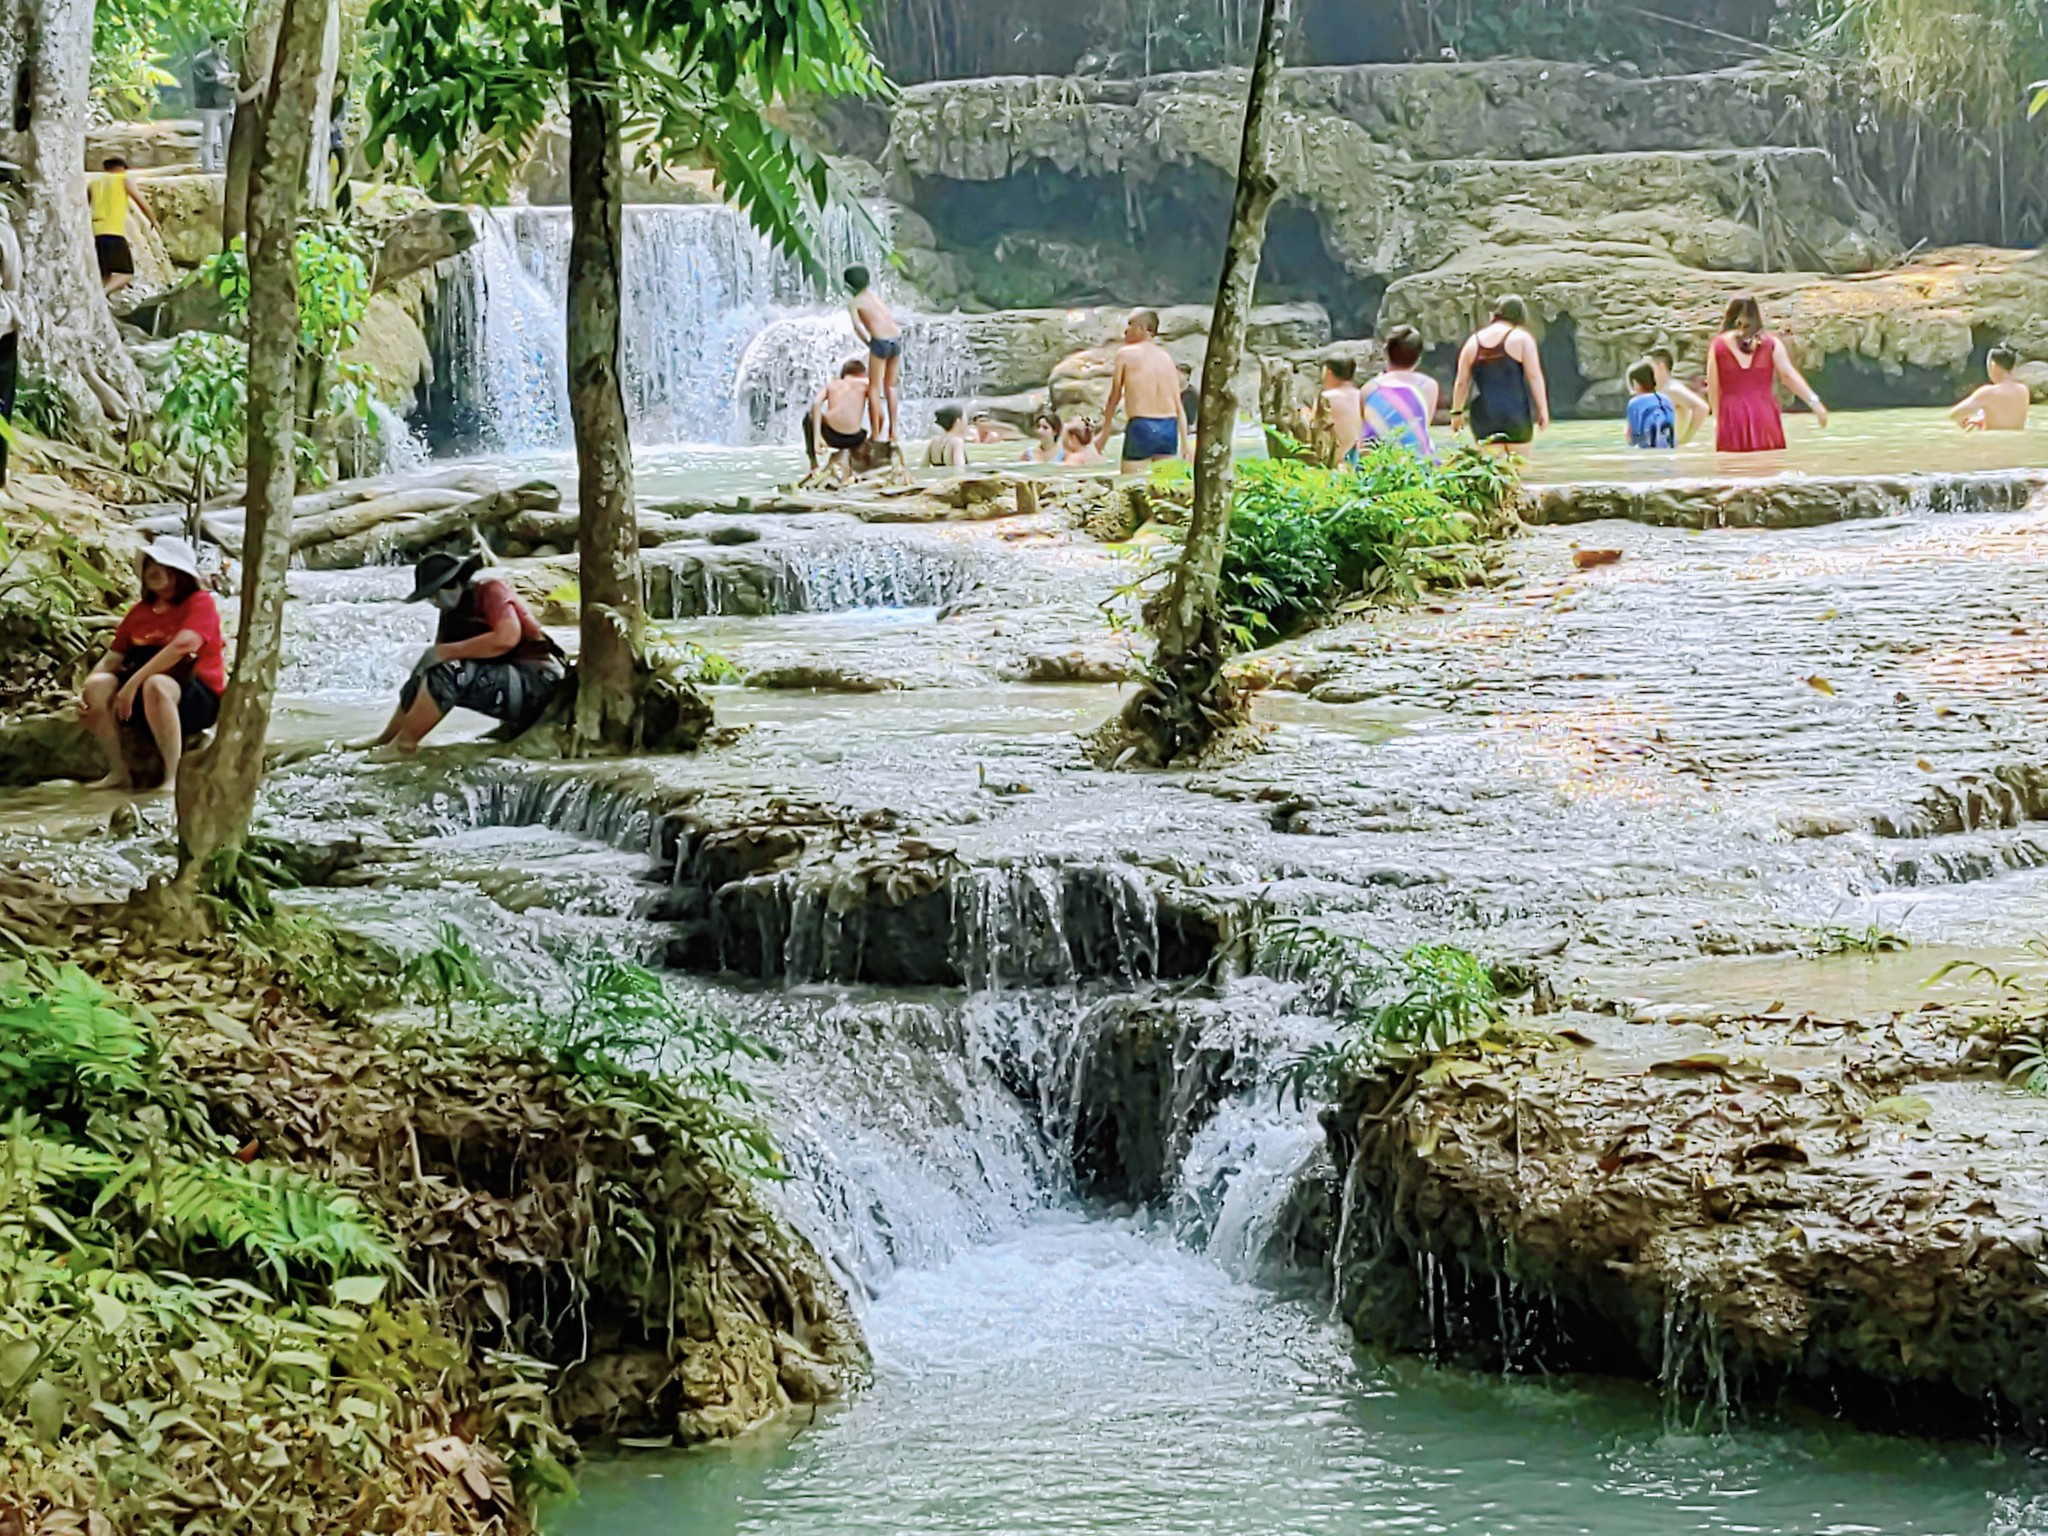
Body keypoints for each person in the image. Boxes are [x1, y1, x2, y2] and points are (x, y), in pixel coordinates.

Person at [371, 552, 565, 754]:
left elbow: (507, 638)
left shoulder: (490, 591)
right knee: (426, 673)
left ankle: (404, 746)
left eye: (436, 595)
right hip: (508, 682)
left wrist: (445, 652)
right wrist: (431, 662)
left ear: (454, 584)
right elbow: (433, 672)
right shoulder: (451, 616)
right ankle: (388, 738)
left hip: (539, 683)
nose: (435, 602)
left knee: (448, 671)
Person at [80, 537, 224, 794]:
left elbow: (184, 645)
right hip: (138, 699)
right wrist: (85, 696)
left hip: (194, 697)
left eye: (164, 565)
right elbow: (113, 659)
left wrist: (132, 685)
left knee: (155, 684)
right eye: (151, 565)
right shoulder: (139, 613)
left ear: (180, 573)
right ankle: (118, 772)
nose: (156, 571)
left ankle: (172, 776)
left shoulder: (200, 603)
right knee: (97, 685)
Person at [1707, 294, 1827, 453]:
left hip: (1731, 416)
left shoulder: (1718, 346)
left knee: (1734, 471)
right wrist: (1815, 403)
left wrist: (1718, 420)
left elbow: (1713, 388)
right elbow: (1788, 376)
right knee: (1770, 467)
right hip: (1764, 413)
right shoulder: (1770, 344)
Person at [1095, 309, 1191, 474]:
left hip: (1142, 426)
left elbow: (1115, 397)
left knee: (1128, 485)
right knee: (1164, 487)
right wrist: (1185, 444)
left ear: (1142, 328)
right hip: (1169, 428)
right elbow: (1178, 406)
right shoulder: (1166, 358)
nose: (1125, 330)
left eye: (1130, 325)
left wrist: (1105, 434)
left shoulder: (1125, 354)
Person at [1451, 296, 1549, 448]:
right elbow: (1534, 376)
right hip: (1516, 414)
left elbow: (1462, 382)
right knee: (1518, 468)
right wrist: (1542, 409)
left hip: (1484, 416)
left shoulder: (1473, 342)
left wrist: (1457, 413)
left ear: (1494, 314)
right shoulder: (1522, 339)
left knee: (1493, 468)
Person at [1362, 325, 1438, 461]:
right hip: (1416, 462)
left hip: (1376, 462)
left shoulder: (1370, 388)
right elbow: (1424, 425)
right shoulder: (1428, 386)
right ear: (1419, 357)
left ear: (1386, 353)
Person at [844, 264, 902, 444]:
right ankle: (893, 432)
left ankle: (876, 433)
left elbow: (857, 326)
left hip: (880, 341)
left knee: (874, 387)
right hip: (896, 338)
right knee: (891, 387)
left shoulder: (854, 302)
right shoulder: (875, 297)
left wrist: (869, 343)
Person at [90, 157, 156, 296]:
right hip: (114, 232)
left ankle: (101, 300)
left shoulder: (93, 184)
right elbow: (141, 202)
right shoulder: (123, 180)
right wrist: (153, 220)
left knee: (104, 273)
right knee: (126, 273)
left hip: (96, 233)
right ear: (122, 168)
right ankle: (102, 293)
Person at [807, 358, 872, 477]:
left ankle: (813, 463)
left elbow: (816, 404)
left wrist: (818, 438)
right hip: (855, 439)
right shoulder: (866, 384)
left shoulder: (833, 384)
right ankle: (853, 458)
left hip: (831, 436)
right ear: (861, 374)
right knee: (864, 432)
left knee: (808, 417)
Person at [1951, 345, 2030, 433]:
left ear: (1993, 365)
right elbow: (2007, 418)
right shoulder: (2023, 390)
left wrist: (1964, 421)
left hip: (1993, 444)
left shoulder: (1988, 392)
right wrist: (1982, 420)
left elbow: (1954, 414)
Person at [189, 38, 236, 173]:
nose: (223, 49)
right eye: (221, 45)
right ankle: (208, 168)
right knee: (209, 139)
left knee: (228, 140)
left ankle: (229, 168)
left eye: (226, 46)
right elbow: (200, 80)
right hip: (210, 105)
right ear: (213, 45)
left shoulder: (227, 61)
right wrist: (217, 79)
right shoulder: (202, 61)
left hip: (226, 104)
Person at [1648, 347, 1709, 445]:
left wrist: (1686, 439)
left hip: (1673, 453)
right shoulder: (1663, 390)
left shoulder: (1672, 389)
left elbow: (1702, 408)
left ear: (1660, 367)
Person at [1320, 357, 1364, 465]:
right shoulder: (1361, 395)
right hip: (1356, 458)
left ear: (1328, 373)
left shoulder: (1326, 398)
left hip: (1332, 459)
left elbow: (1313, 427)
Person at [1624, 360, 1677, 449]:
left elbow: (1628, 435)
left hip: (1646, 451)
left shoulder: (1634, 403)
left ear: (1635, 383)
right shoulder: (1666, 399)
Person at [925, 405, 970, 471]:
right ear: (958, 421)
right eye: (965, 419)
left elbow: (923, 467)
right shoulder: (956, 442)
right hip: (952, 480)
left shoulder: (934, 441)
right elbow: (960, 469)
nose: (967, 423)